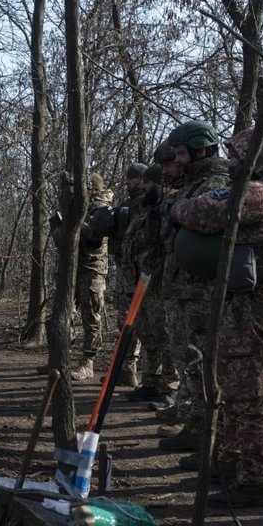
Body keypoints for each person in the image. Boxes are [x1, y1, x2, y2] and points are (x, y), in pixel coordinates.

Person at [171, 128, 263, 508]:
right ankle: (229, 464)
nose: (231, 163)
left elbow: (204, 213)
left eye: (237, 156)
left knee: (245, 394)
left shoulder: (261, 193)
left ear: (256, 159)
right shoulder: (261, 190)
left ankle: (255, 482)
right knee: (229, 384)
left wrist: (177, 205)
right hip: (240, 301)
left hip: (252, 305)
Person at [157, 121, 231, 452]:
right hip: (181, 287)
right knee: (185, 356)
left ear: (201, 150)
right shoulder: (192, 183)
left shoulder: (217, 181)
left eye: (184, 153)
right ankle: (194, 421)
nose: (180, 159)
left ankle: (205, 429)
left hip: (202, 290)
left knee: (201, 360)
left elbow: (207, 218)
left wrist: (176, 208)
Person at [48, 173, 114, 380]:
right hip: (72, 269)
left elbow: (95, 235)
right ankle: (60, 359)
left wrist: (73, 224)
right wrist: (60, 226)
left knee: (91, 317)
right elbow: (62, 241)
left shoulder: (102, 209)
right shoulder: (75, 208)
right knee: (64, 313)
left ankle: (88, 362)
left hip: (92, 270)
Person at [125, 152, 178, 409]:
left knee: (166, 335)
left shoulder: (170, 207)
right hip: (142, 280)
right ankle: (150, 382)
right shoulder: (145, 209)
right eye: (143, 182)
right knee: (147, 334)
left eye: (149, 182)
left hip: (161, 283)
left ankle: (170, 386)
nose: (144, 186)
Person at [108, 162, 148, 387]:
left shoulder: (148, 205)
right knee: (123, 321)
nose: (128, 182)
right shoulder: (125, 206)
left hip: (141, 275)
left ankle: (141, 372)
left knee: (140, 323)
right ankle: (125, 369)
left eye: (132, 178)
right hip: (124, 272)